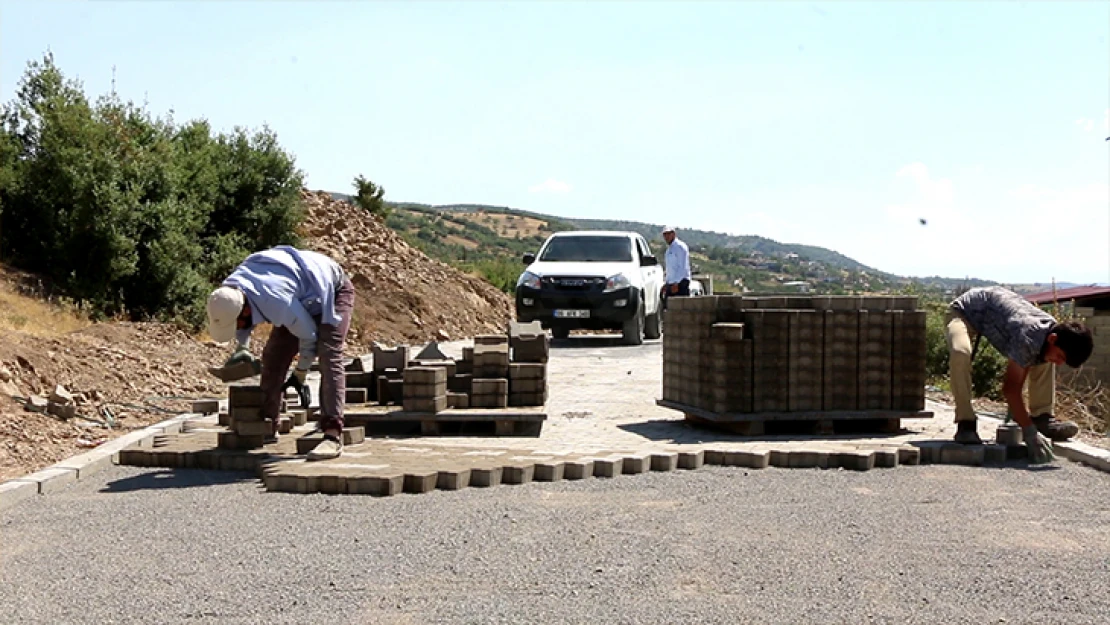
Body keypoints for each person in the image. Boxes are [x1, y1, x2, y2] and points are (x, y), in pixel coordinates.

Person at [206, 246, 355, 461]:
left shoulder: (277, 302)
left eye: (238, 323)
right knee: (273, 357)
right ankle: (266, 424)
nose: (238, 326)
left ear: (245, 310)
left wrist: (301, 372)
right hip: (299, 293)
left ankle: (332, 434)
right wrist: (242, 348)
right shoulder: (229, 292)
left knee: (328, 354)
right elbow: (240, 321)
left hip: (332, 291)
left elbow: (309, 336)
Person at [946, 286, 1093, 463]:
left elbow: (1034, 360)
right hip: (964, 311)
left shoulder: (1052, 331)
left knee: (1044, 356)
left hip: (999, 316)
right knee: (960, 352)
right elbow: (1010, 389)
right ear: (1053, 339)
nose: (1061, 362)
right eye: (1061, 356)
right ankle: (965, 423)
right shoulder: (1029, 336)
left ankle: (1042, 417)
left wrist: (1026, 422)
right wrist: (1028, 432)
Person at [661, 226, 691, 306]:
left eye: (668, 234)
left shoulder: (680, 247)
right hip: (671, 284)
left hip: (680, 283)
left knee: (680, 310)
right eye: (664, 234)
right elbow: (670, 269)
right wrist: (666, 283)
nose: (666, 237)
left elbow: (682, 267)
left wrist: (676, 283)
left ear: (673, 234)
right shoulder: (668, 250)